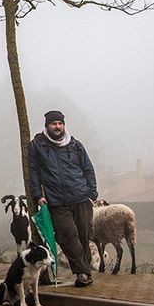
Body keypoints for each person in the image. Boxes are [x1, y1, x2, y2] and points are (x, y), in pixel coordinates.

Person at [28, 110, 97, 287]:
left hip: (81, 198)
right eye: (53, 124)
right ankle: (83, 273)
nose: (57, 127)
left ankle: (85, 273)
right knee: (68, 237)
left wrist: (91, 194)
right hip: (56, 201)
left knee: (83, 237)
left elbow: (88, 168)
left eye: (60, 123)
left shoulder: (75, 145)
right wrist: (38, 196)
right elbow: (33, 173)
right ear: (47, 126)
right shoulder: (37, 145)